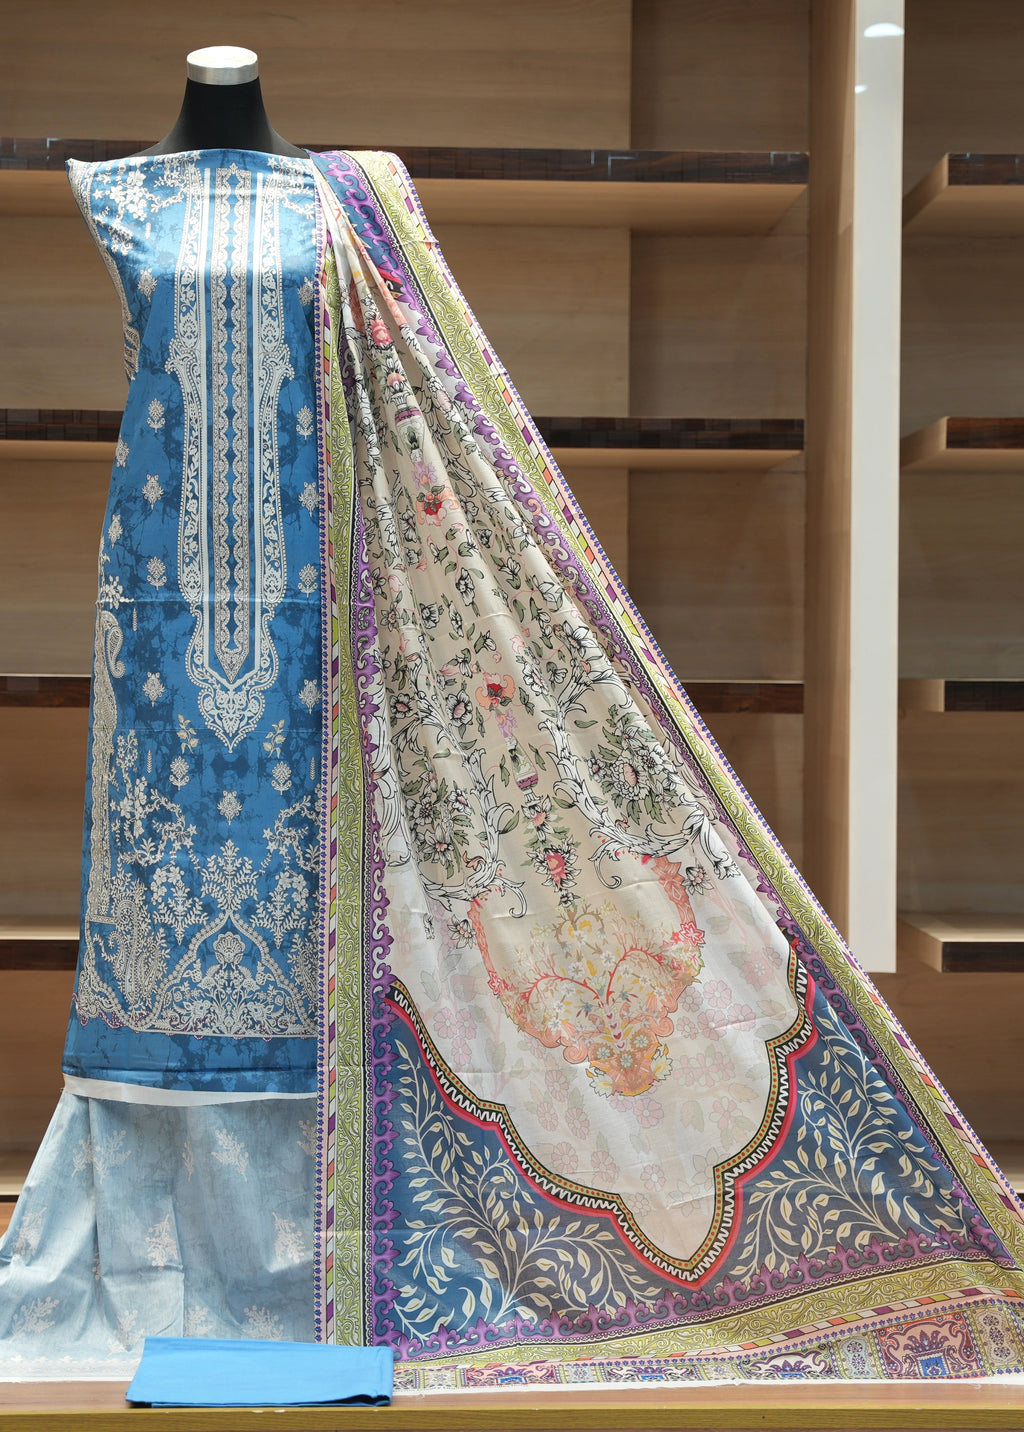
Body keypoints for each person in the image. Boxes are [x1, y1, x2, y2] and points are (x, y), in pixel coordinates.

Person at [3, 46, 1024, 1388]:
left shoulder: (355, 199)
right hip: (160, 645)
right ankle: (159, 1277)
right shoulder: (114, 192)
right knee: (156, 927)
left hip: (345, 639)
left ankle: (346, 1281)